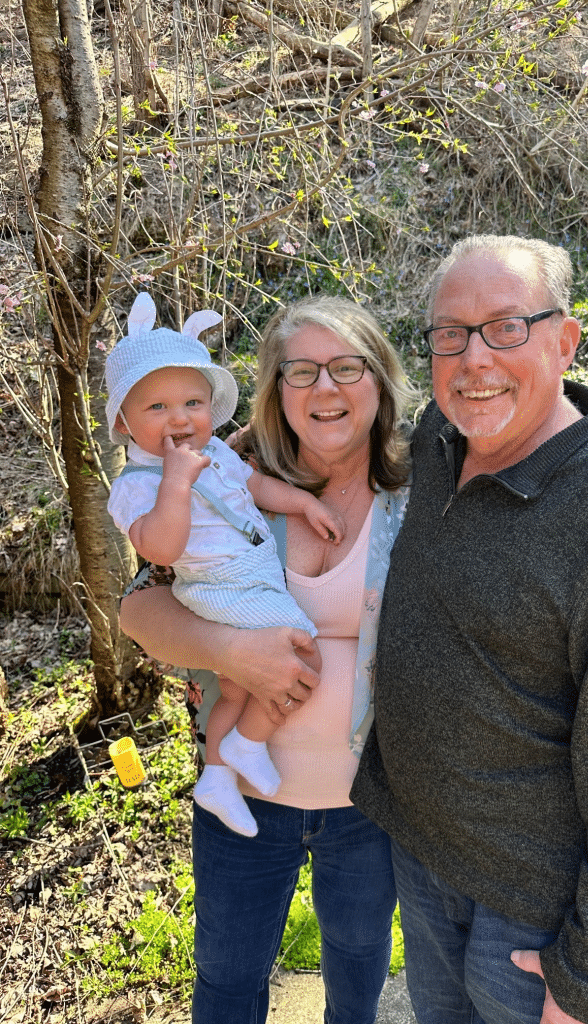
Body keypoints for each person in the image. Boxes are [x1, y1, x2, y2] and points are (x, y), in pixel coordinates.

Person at [350, 234, 588, 1024]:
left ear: (564, 340)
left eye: (506, 327)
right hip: (424, 857)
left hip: (532, 916)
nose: (474, 359)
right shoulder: (440, 439)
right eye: (451, 334)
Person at [119, 294, 416, 1024]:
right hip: (244, 797)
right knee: (228, 983)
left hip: (370, 802)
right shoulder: (220, 468)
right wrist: (232, 650)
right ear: (275, 390)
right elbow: (138, 610)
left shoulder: (420, 487)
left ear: (379, 379)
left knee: (358, 974)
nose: (325, 387)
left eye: (347, 367)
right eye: (301, 370)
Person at [106, 293, 347, 838]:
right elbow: (160, 552)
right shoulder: (139, 485)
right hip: (220, 586)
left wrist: (304, 504)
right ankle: (247, 744)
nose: (179, 418)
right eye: (156, 408)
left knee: (236, 691)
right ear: (123, 420)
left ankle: (218, 775)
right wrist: (175, 483)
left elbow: (254, 486)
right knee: (301, 647)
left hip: (249, 575)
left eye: (192, 403)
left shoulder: (216, 453)